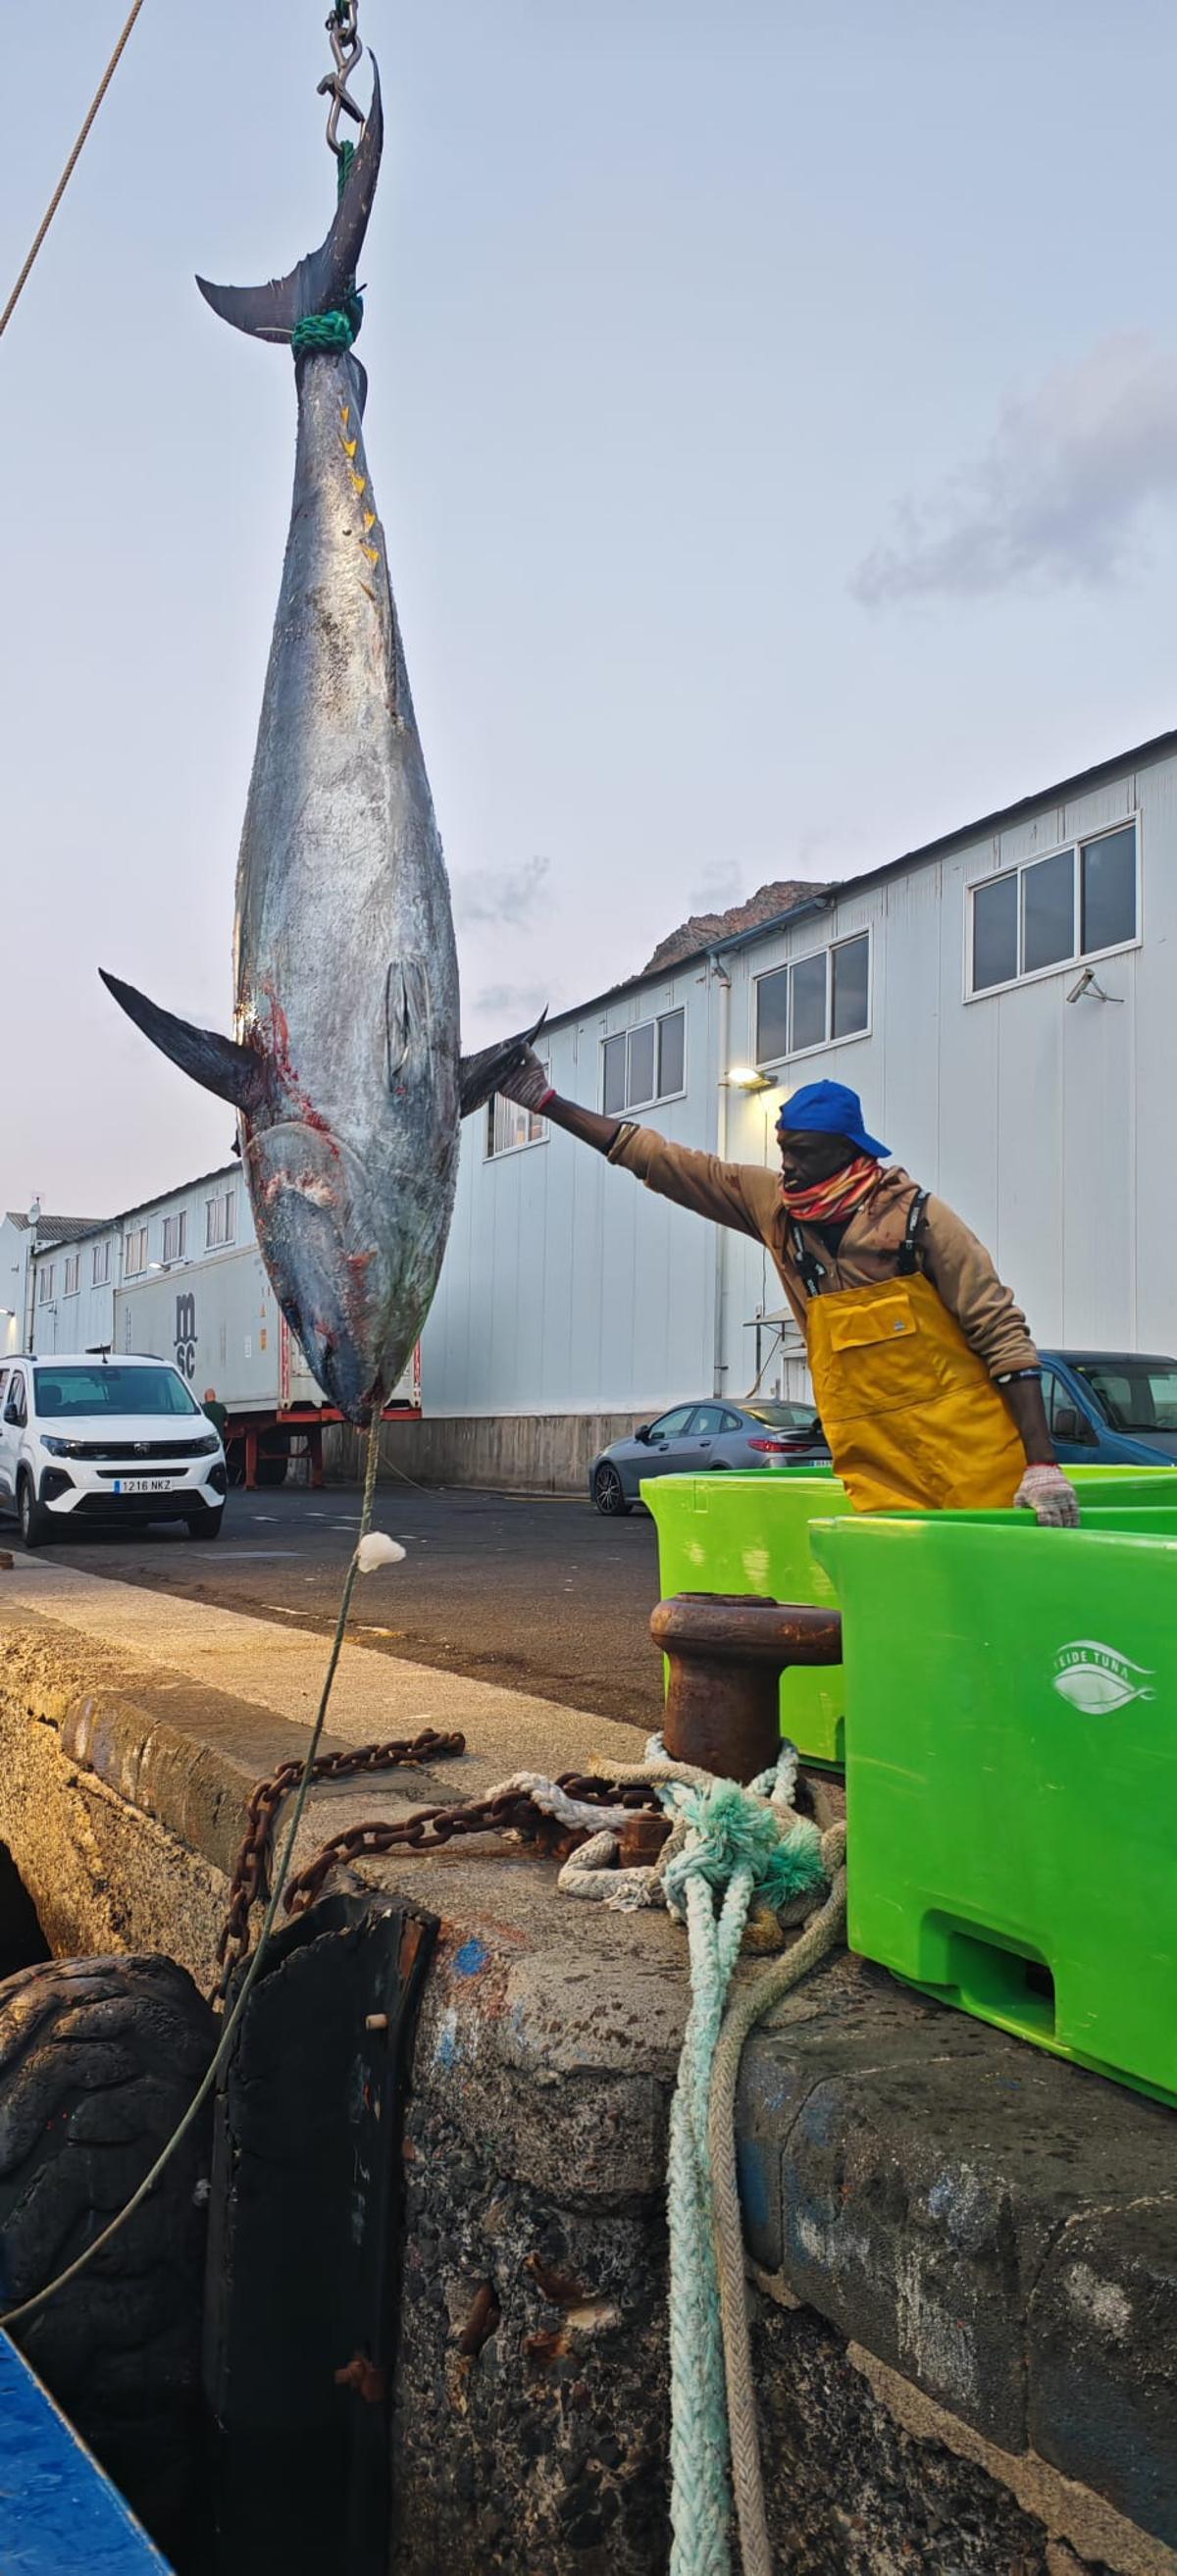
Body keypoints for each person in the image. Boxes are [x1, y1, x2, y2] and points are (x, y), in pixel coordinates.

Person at [494, 1057, 1078, 1523]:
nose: (788, 1166)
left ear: (849, 1150)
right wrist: (547, 1103)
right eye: (783, 1149)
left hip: (974, 1463)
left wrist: (1042, 1464)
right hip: (877, 1475)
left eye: (803, 1152)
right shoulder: (774, 1208)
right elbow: (657, 1160)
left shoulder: (920, 1221)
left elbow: (1002, 1335)